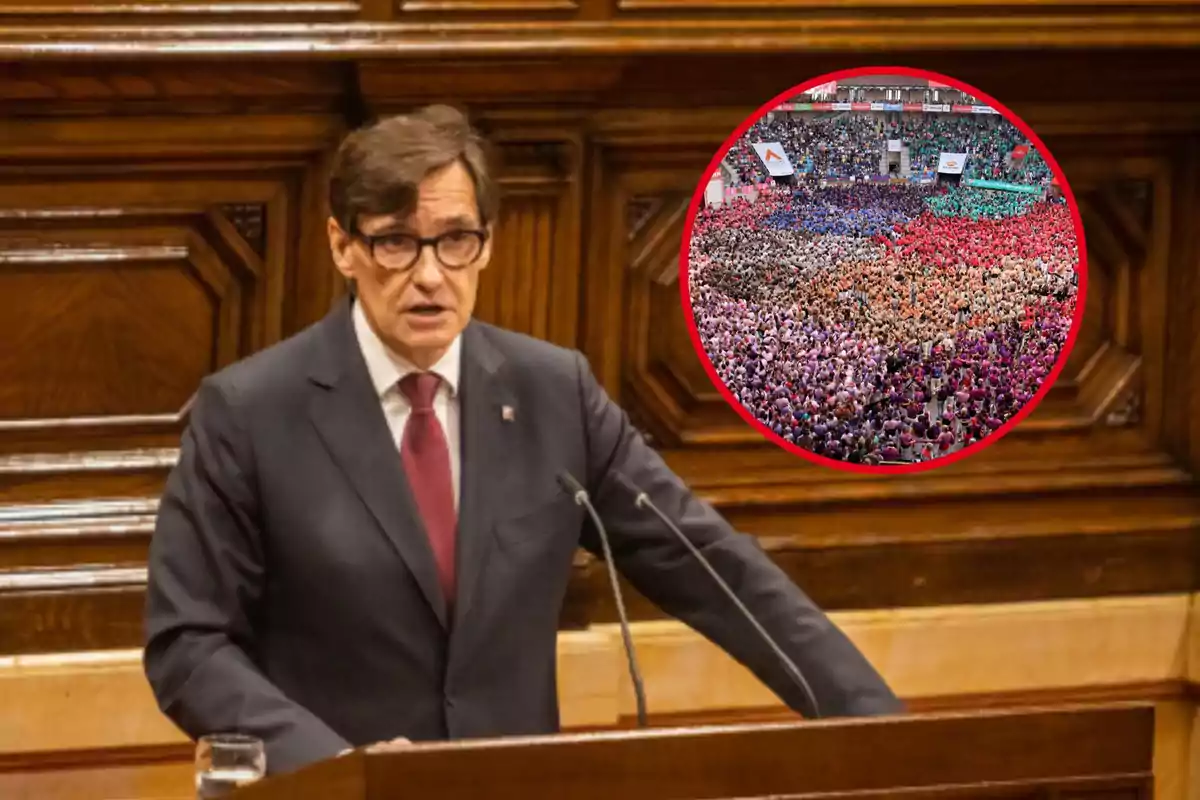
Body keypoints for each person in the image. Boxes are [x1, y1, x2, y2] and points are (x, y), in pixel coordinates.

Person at [142, 105, 903, 777]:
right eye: (396, 243)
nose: (431, 276)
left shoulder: (553, 394)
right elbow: (189, 645)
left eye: (455, 241)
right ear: (343, 246)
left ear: (488, 243)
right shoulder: (249, 412)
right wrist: (340, 770)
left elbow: (711, 566)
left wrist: (879, 727)